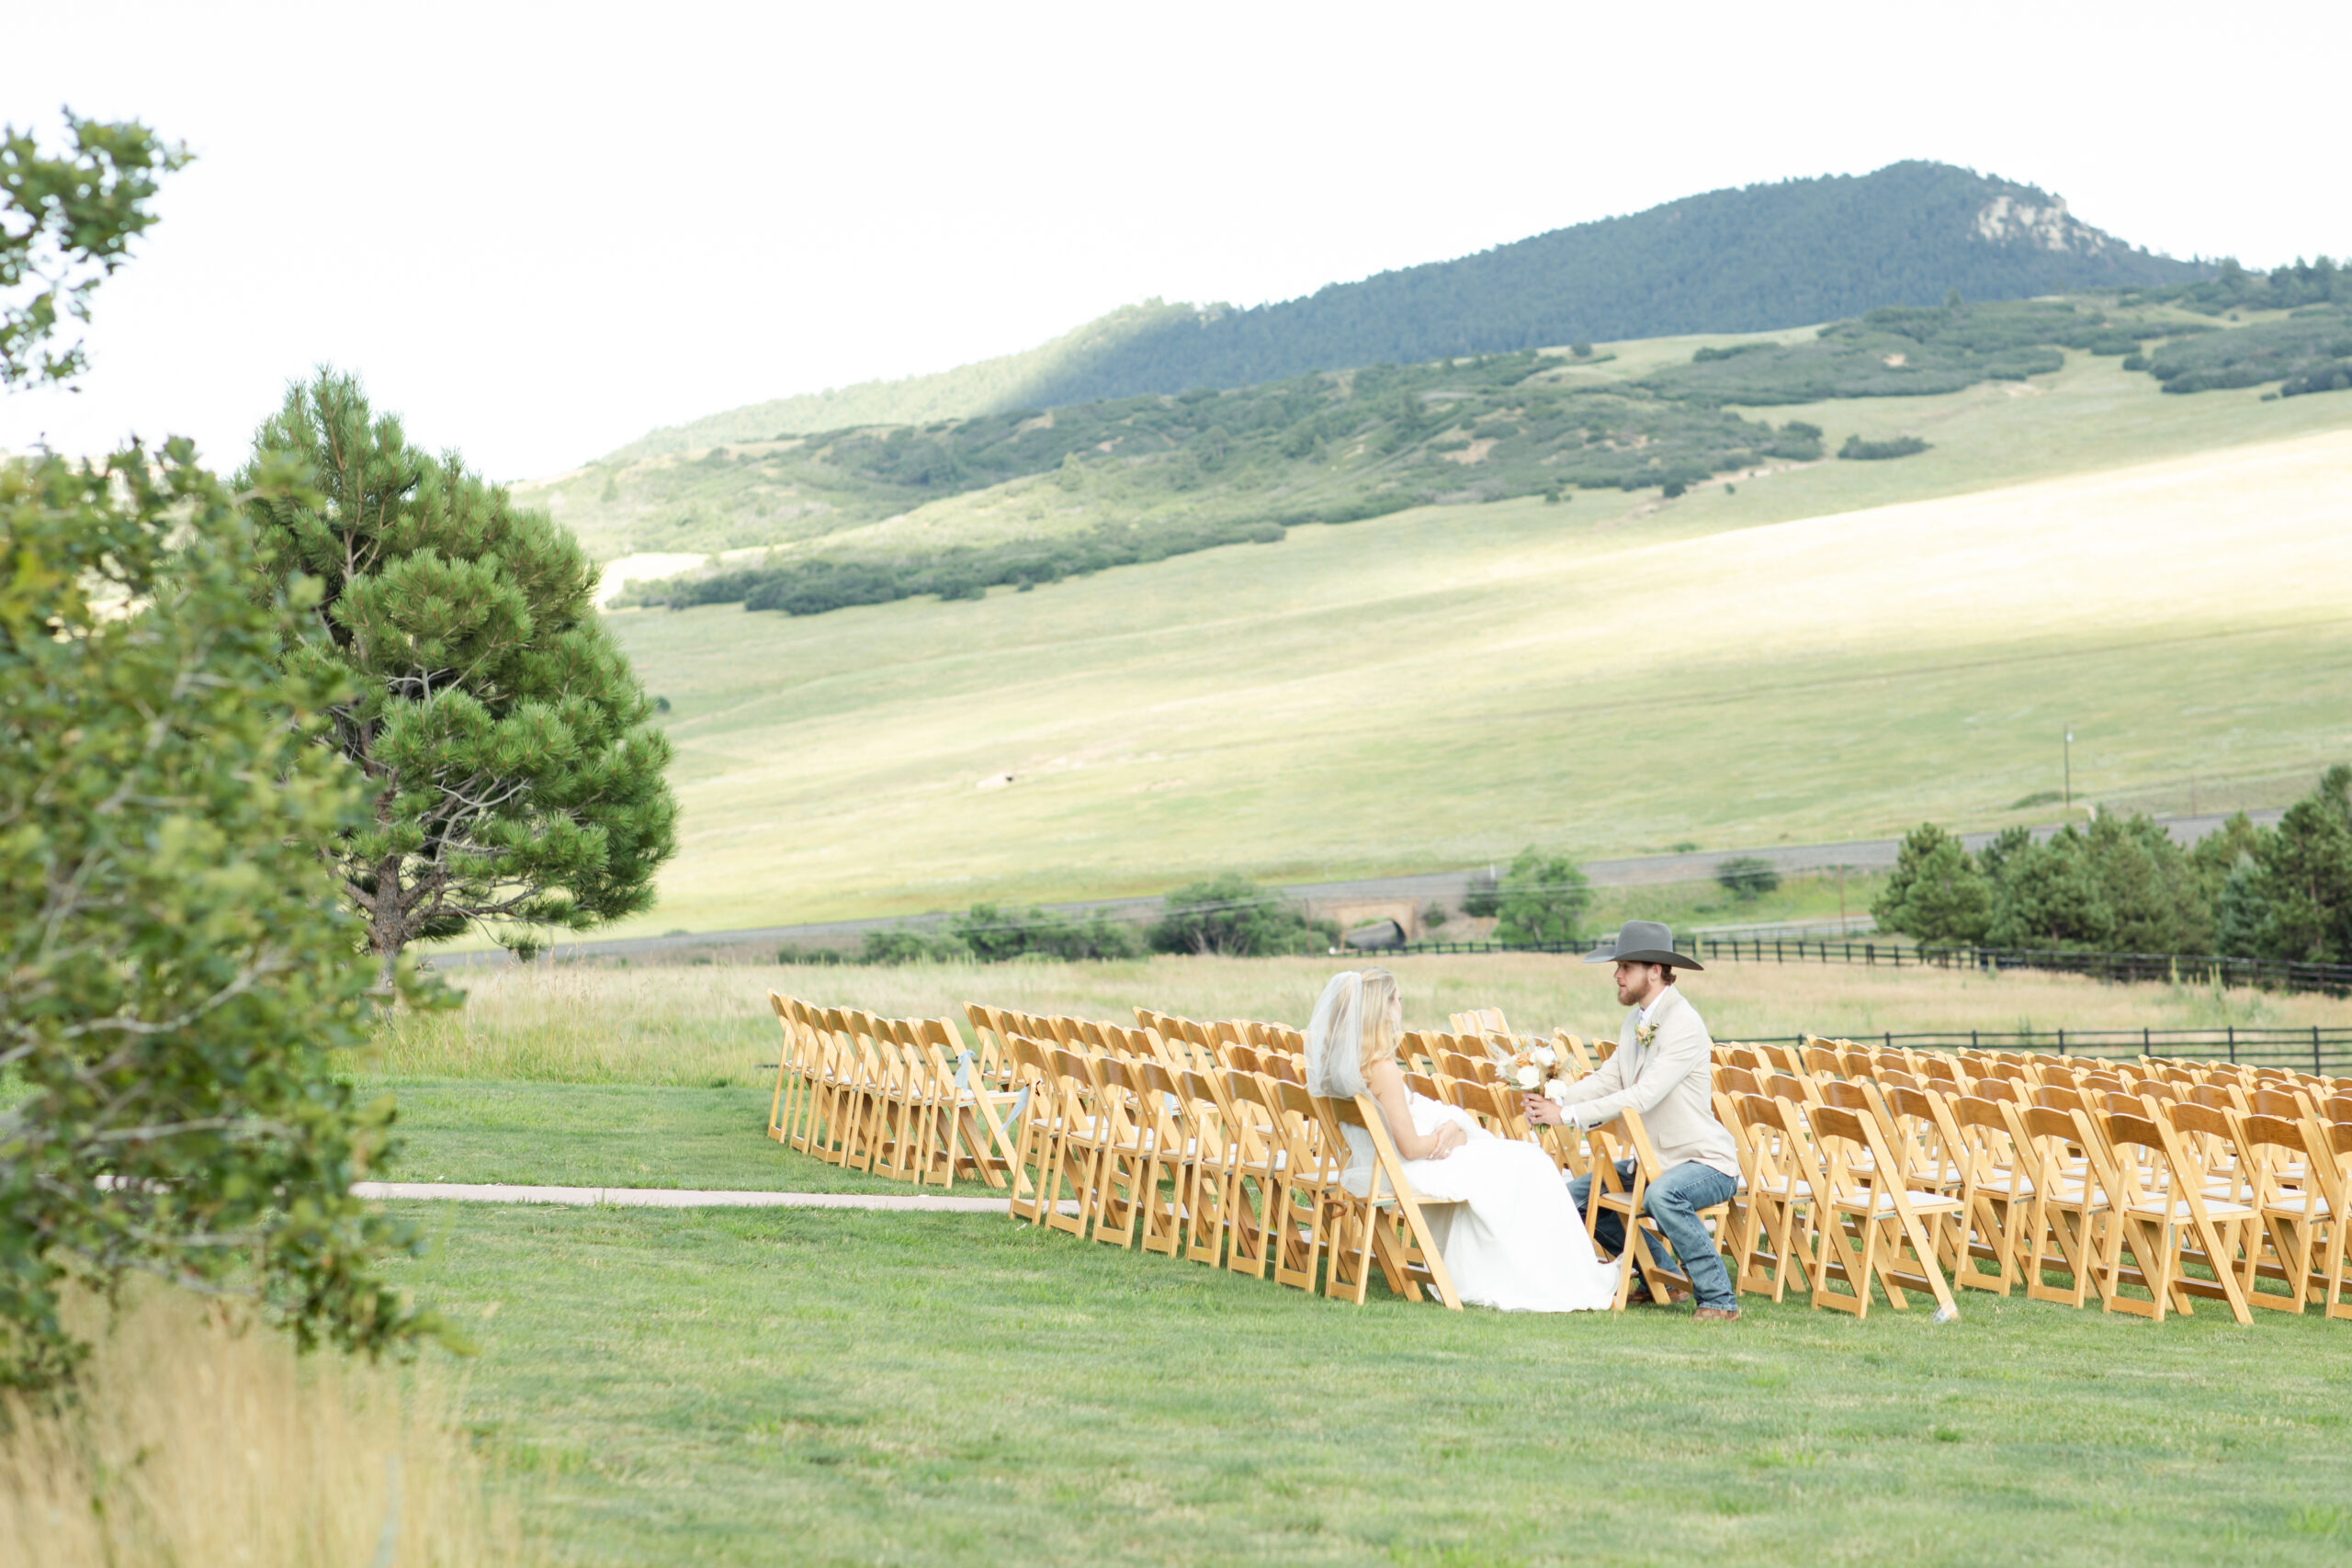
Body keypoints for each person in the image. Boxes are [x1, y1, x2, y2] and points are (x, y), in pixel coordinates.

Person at [1306, 967, 1618, 1313]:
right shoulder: (1382, 1068)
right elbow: (1410, 1147)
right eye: (1397, 1000)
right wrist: (1450, 1137)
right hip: (1409, 1168)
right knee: (1535, 1164)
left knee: (1523, 1161)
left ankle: (1532, 1268)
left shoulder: (1342, 1065)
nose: (1401, 1007)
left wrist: (1453, 1131)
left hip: (1383, 1166)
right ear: (1381, 1010)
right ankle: (1549, 1276)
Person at [1521, 919, 1745, 1322]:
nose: (1616, 975)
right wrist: (1552, 1100)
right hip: (1650, 1162)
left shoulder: (1684, 1024)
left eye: (1625, 967)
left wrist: (1566, 1115)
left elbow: (1642, 1096)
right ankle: (1668, 1279)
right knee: (1575, 1196)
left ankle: (1719, 1301)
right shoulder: (1635, 1021)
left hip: (1703, 1162)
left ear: (1654, 971)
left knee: (1663, 1197)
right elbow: (1610, 1079)